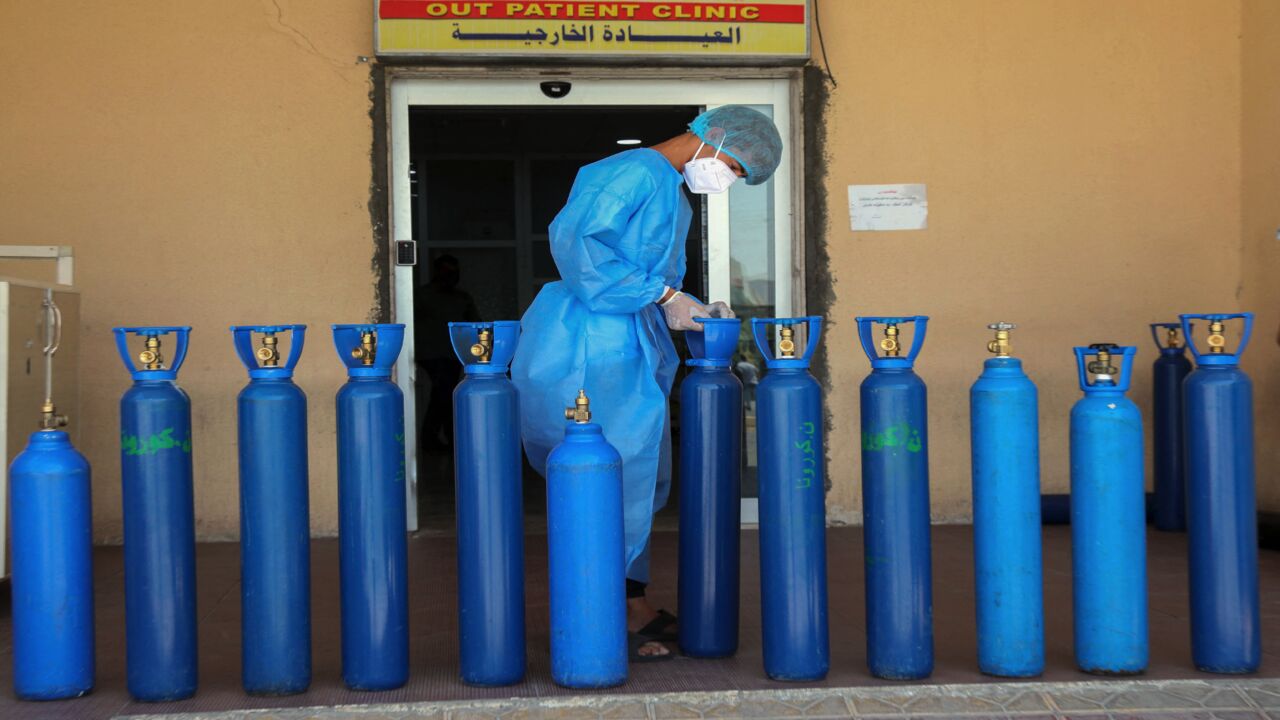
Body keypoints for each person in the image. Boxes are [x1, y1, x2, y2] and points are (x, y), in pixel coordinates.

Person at [512, 106, 783, 660]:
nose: (727, 180)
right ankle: (597, 614)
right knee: (601, 479)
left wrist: (686, 307)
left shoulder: (672, 194)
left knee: (636, 481)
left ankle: (627, 605)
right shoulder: (632, 171)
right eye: (732, 167)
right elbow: (578, 244)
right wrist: (663, 298)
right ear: (714, 136)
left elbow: (658, 279)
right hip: (590, 342)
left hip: (629, 343)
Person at [415, 254, 480, 452]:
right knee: (443, 394)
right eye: (446, 271)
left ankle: (443, 439)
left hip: (454, 354)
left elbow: (476, 324)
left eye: (454, 272)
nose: (451, 276)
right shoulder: (422, 296)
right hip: (431, 354)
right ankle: (436, 439)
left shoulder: (462, 298)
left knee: (445, 395)